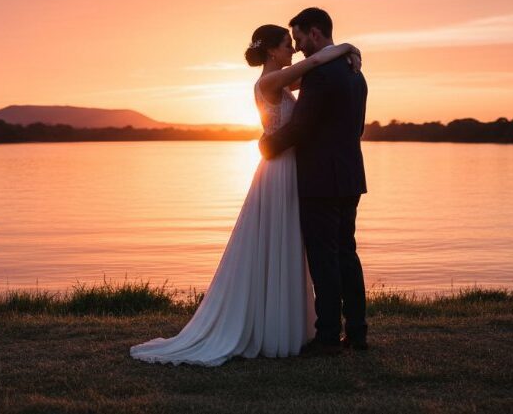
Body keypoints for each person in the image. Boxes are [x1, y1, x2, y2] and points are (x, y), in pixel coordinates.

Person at [130, 23, 361, 366]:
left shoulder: (282, 81)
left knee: (287, 243)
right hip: (278, 171)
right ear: (271, 51)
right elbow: (312, 65)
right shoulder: (268, 82)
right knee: (274, 240)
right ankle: (266, 326)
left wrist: (344, 57)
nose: (293, 50)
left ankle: (283, 325)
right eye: (287, 45)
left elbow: (313, 76)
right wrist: (347, 47)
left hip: (290, 169)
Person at [260, 7, 369, 354]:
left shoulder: (321, 76)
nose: (298, 45)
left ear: (316, 33)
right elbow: (358, 128)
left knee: (324, 258)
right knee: (347, 254)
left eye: (300, 37)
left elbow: (302, 127)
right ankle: (357, 331)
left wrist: (267, 145)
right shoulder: (356, 74)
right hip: (350, 175)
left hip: (321, 178)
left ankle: (326, 337)